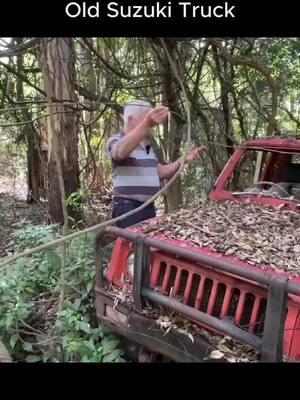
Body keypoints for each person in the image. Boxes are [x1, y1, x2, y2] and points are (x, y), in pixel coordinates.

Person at [107, 100, 203, 228]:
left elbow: (159, 173)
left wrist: (182, 160)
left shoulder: (146, 145)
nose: (152, 126)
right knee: (132, 247)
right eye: (145, 118)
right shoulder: (116, 140)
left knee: (147, 247)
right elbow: (120, 152)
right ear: (130, 119)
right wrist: (147, 124)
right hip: (128, 208)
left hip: (148, 207)